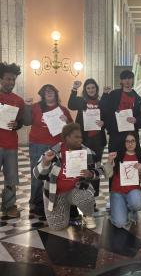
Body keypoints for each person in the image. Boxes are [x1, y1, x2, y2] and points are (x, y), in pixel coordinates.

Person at [33, 123, 103, 231]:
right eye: (76, 137)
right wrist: (46, 161)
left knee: (86, 197)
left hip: (76, 190)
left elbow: (100, 170)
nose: (80, 139)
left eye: (80, 137)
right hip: (55, 193)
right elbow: (38, 175)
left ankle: (87, 215)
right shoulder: (54, 152)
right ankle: (65, 209)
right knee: (57, 226)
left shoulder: (87, 152)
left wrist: (91, 174)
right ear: (67, 138)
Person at [24, 84, 73, 216]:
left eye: (51, 91)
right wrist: (27, 107)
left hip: (57, 145)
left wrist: (66, 120)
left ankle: (52, 201)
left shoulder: (62, 109)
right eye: (46, 91)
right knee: (37, 173)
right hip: (37, 144)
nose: (49, 93)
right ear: (42, 95)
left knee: (54, 174)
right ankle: (35, 202)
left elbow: (71, 128)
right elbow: (27, 122)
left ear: (56, 93)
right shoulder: (35, 107)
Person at [68, 79, 108, 201]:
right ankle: (80, 195)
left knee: (95, 168)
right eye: (88, 88)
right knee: (80, 168)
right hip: (83, 140)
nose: (91, 90)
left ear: (96, 89)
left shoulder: (101, 102)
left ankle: (93, 196)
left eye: (93, 88)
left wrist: (103, 123)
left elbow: (106, 117)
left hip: (97, 140)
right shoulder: (81, 101)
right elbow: (71, 104)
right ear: (85, 90)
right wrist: (74, 89)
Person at [104, 132, 141, 228]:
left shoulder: (140, 157)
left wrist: (140, 171)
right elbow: (107, 174)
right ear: (124, 143)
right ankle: (118, 208)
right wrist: (109, 160)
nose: (130, 144)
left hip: (133, 191)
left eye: (132, 141)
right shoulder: (117, 156)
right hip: (117, 192)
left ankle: (131, 209)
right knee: (120, 223)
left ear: (136, 142)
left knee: (137, 203)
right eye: (127, 141)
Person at [0, 62, 24, 218]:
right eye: (8, 79)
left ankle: (9, 205)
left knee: (11, 177)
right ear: (1, 79)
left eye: (13, 79)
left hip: (11, 144)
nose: (11, 82)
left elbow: (21, 121)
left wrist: (17, 124)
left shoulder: (18, 100)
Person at [100, 70, 141, 152]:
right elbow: (103, 108)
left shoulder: (138, 99)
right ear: (121, 81)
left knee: (132, 160)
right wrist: (105, 94)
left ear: (133, 80)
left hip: (131, 134)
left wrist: (136, 120)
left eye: (129, 78)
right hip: (116, 134)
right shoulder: (114, 94)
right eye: (124, 78)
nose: (127, 81)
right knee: (115, 160)